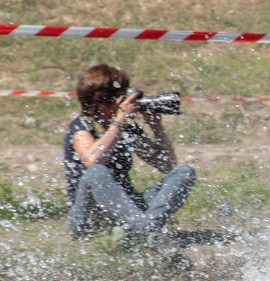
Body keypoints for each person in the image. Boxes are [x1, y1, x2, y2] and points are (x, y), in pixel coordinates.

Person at [62, 63, 196, 247]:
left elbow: (166, 165)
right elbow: (92, 160)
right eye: (112, 99)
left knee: (184, 172)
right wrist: (118, 122)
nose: (121, 103)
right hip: (89, 218)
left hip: (128, 210)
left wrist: (156, 127)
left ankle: (144, 229)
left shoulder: (126, 128)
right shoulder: (82, 125)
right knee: (97, 172)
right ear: (97, 103)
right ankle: (145, 231)